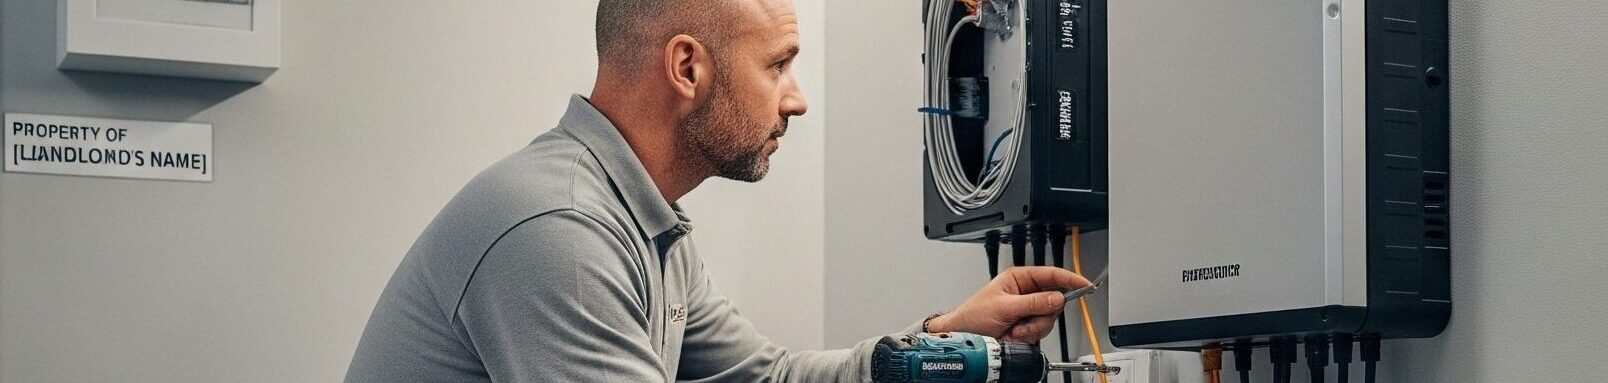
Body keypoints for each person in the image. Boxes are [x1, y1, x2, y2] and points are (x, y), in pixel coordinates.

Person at [343, 0, 1091, 381]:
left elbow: (764, 376)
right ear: (688, 69)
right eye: (778, 65)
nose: (796, 100)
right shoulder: (560, 232)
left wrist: (930, 344)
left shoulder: (643, 219)